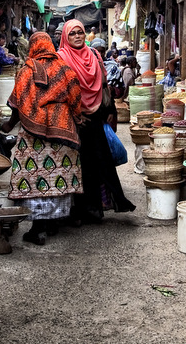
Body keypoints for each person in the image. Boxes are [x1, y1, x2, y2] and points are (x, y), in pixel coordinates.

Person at [1, 32, 85, 245]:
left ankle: (38, 228)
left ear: (32, 47)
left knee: (35, 175)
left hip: (32, 130)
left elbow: (17, 101)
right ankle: (52, 223)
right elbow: (75, 96)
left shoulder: (26, 70)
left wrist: (9, 125)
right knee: (59, 173)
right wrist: (77, 117)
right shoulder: (64, 69)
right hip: (62, 126)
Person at [57, 19, 135, 223]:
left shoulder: (94, 55)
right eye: (72, 33)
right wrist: (74, 115)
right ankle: (77, 209)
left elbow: (103, 84)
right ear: (66, 36)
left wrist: (109, 111)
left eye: (79, 32)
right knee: (75, 164)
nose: (77, 36)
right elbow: (60, 91)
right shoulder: (61, 58)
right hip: (73, 118)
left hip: (95, 116)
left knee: (98, 162)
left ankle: (95, 208)